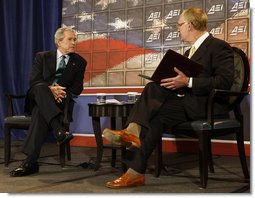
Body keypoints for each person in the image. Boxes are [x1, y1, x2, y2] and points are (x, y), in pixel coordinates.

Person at [102, 7, 234, 188]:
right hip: (187, 103)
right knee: (155, 109)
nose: (177, 29)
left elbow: (225, 81)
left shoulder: (218, 46)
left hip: (207, 107)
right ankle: (135, 172)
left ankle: (132, 134)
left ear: (190, 25)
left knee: (151, 93)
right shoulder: (189, 52)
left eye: (179, 25)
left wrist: (187, 82)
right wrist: (173, 83)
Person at [9, 27, 87, 177]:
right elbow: (33, 81)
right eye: (70, 39)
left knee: (40, 111)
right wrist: (50, 89)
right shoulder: (42, 57)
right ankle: (59, 128)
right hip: (38, 95)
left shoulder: (80, 62)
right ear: (58, 41)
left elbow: (78, 88)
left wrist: (61, 91)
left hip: (59, 102)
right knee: (40, 88)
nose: (74, 43)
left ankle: (30, 162)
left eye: (75, 39)